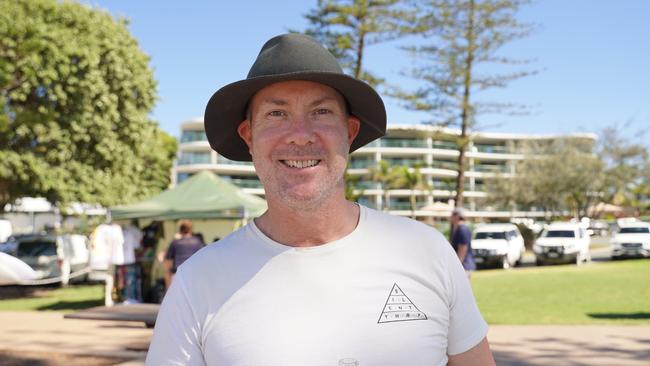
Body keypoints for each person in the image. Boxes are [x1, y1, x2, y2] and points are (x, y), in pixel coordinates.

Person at [147, 33, 495, 365]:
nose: (300, 136)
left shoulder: (427, 252)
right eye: (277, 114)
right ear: (248, 136)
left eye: (321, 112)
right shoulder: (198, 282)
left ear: (350, 131)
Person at [163, 220, 204, 289]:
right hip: (193, 274)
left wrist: (168, 275)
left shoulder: (175, 242)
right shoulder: (197, 242)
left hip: (178, 275)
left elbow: (168, 261)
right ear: (191, 230)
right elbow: (202, 259)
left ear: (180, 230)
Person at [450, 207, 477, 275]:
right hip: (462, 265)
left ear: (458, 216)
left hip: (464, 266)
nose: (451, 216)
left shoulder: (462, 230)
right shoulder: (457, 229)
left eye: (453, 214)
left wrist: (457, 266)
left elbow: (463, 249)